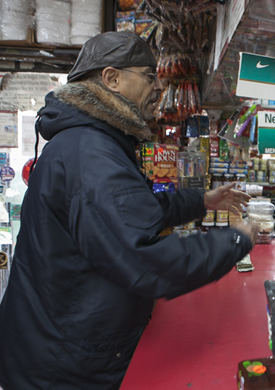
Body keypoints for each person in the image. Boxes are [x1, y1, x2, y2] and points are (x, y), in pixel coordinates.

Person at [0, 32, 258, 390]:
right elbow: (143, 260)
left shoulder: (90, 140)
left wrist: (200, 201)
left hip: (56, 341)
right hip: (62, 365)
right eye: (149, 76)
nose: (158, 89)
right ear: (112, 79)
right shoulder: (91, 153)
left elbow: (134, 210)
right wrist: (235, 240)